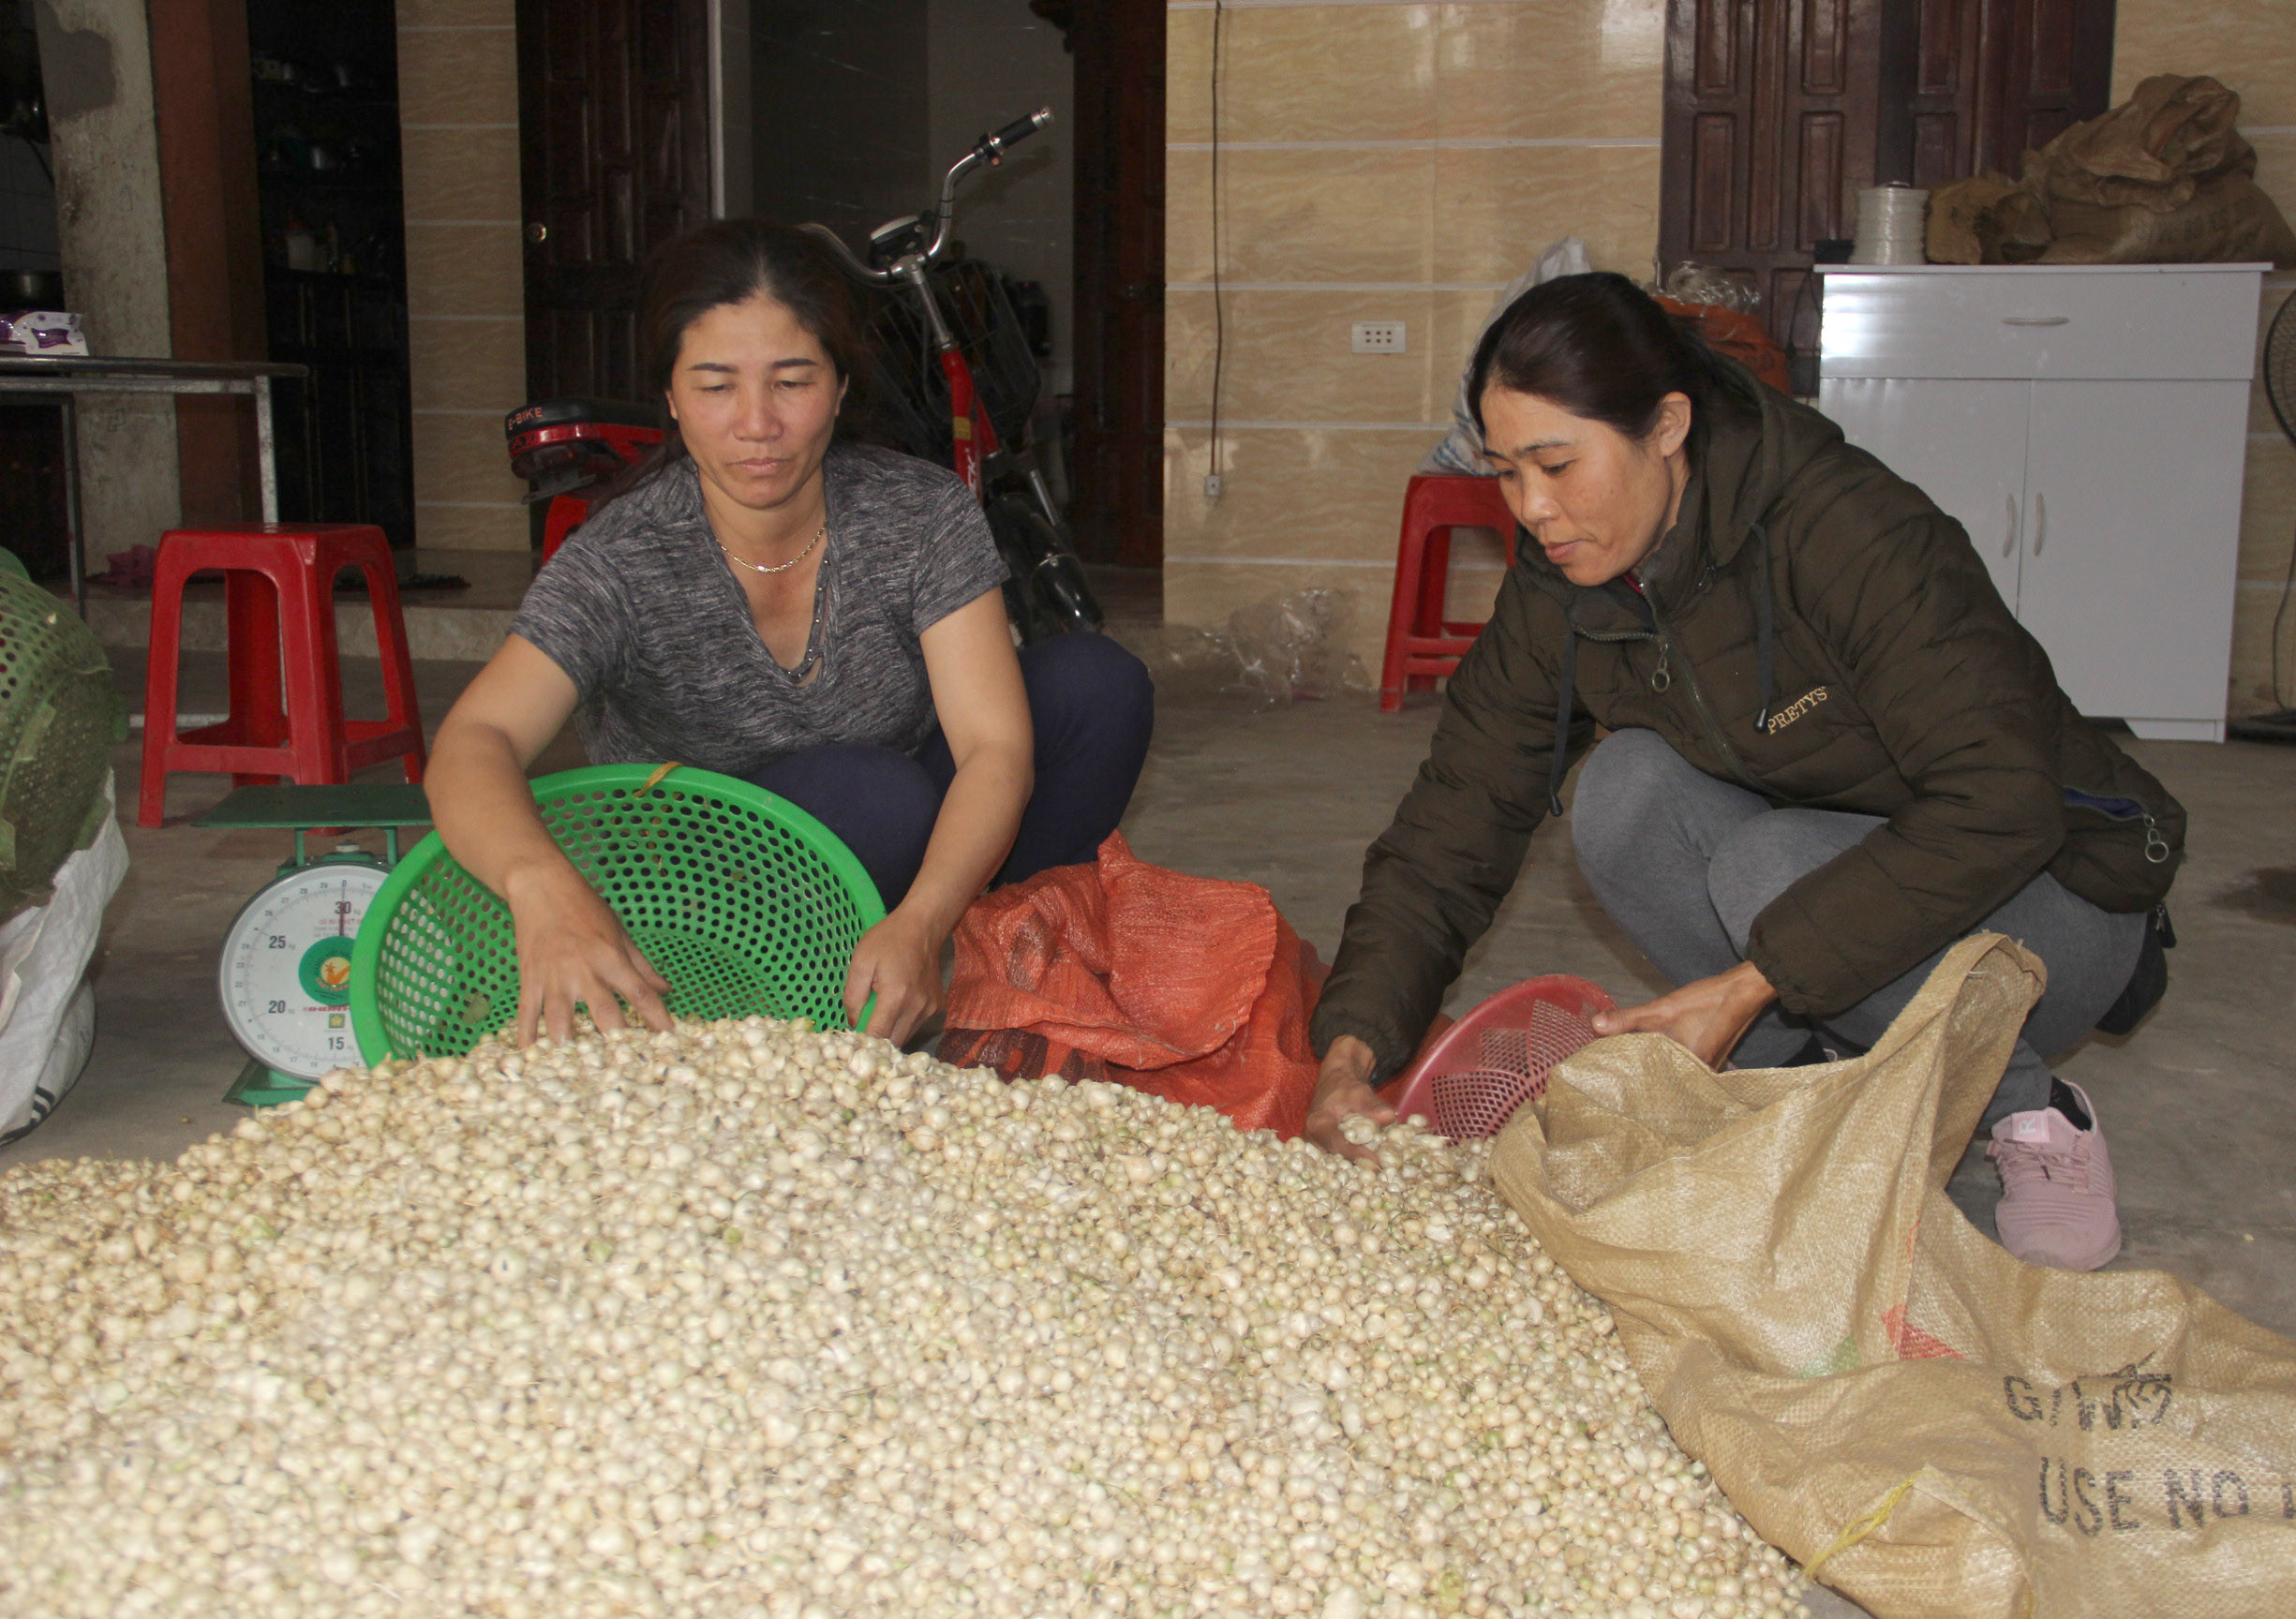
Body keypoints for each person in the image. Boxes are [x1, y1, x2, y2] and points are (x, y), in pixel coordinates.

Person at [1304, 273, 2183, 1271]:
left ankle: (2034, 1114)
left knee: (1770, 869)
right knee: (1626, 791)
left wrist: (1750, 982)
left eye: (1556, 464)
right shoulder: (1568, 577)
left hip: (2051, 907)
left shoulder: (1845, 528)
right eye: (1506, 472)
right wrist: (1352, 1053)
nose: (1534, 509)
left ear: (1668, 426)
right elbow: (1456, 817)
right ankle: (1782, 1095)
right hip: (1837, 904)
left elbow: (2002, 802)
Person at [425, 218, 1153, 1050]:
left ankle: (971, 967)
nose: (757, 424)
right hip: (712, 884)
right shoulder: (624, 559)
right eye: (715, 385)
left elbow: (993, 746)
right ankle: (778, 1001)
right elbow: (473, 740)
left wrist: (921, 920)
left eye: (791, 381)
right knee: (878, 796)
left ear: (840, 389)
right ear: (670, 397)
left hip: (902, 839)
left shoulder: (916, 513)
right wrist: (543, 887)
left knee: (1095, 686)